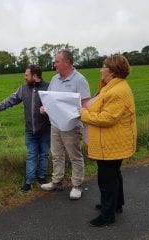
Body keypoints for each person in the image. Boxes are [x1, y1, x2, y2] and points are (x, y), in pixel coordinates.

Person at [80, 54, 137, 227]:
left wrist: (83, 114)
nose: (100, 69)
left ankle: (107, 215)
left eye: (103, 67)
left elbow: (107, 118)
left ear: (111, 71)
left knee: (106, 179)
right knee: (114, 175)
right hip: (113, 141)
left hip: (110, 143)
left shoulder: (117, 91)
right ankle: (115, 205)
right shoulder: (113, 87)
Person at [0, 65, 51, 192]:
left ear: (35, 76)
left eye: (27, 75)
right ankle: (29, 181)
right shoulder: (23, 89)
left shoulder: (48, 88)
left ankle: (42, 177)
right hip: (30, 131)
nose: (24, 77)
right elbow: (11, 99)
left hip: (45, 130)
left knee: (44, 154)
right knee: (32, 155)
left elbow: (56, 106)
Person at [40, 50, 91, 200]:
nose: (54, 64)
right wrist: (45, 107)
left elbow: (85, 104)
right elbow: (49, 99)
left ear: (67, 63)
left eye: (57, 61)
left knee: (74, 156)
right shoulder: (55, 79)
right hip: (55, 123)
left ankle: (77, 185)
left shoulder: (80, 80)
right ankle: (56, 181)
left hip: (72, 125)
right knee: (56, 154)